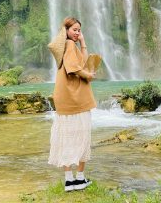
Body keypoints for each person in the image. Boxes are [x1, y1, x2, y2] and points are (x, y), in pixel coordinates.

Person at [47, 16, 101, 192]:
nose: (77, 33)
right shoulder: (70, 45)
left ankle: (71, 180)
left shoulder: (68, 46)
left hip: (65, 98)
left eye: (79, 30)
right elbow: (76, 68)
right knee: (82, 137)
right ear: (66, 30)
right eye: (74, 30)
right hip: (75, 98)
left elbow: (82, 62)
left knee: (66, 137)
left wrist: (83, 42)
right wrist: (89, 76)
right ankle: (79, 178)